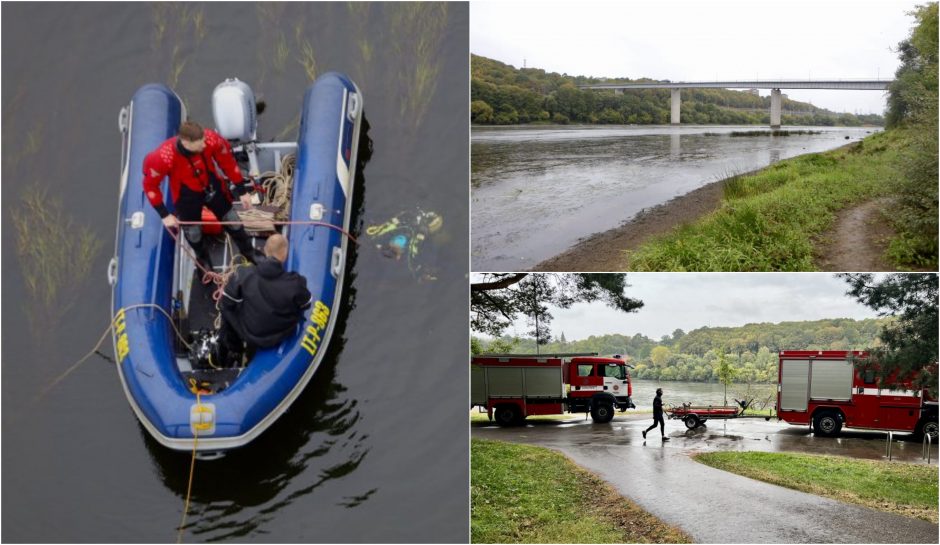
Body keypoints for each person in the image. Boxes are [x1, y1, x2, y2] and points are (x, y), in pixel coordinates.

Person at [142, 120, 261, 271]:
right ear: (186, 142)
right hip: (185, 196)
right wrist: (164, 215)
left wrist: (242, 191)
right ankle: (204, 261)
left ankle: (249, 251)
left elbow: (228, 163)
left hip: (212, 186)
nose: (204, 145)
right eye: (200, 144)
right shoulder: (163, 157)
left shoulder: (211, 139)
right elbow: (150, 185)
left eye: (204, 141)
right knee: (194, 234)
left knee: (233, 221)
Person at [218, 234, 312, 365]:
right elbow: (306, 304)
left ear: (265, 251)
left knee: (226, 309)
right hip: (282, 333)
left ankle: (233, 349)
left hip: (251, 334)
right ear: (284, 255)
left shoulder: (243, 274)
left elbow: (226, 302)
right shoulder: (295, 283)